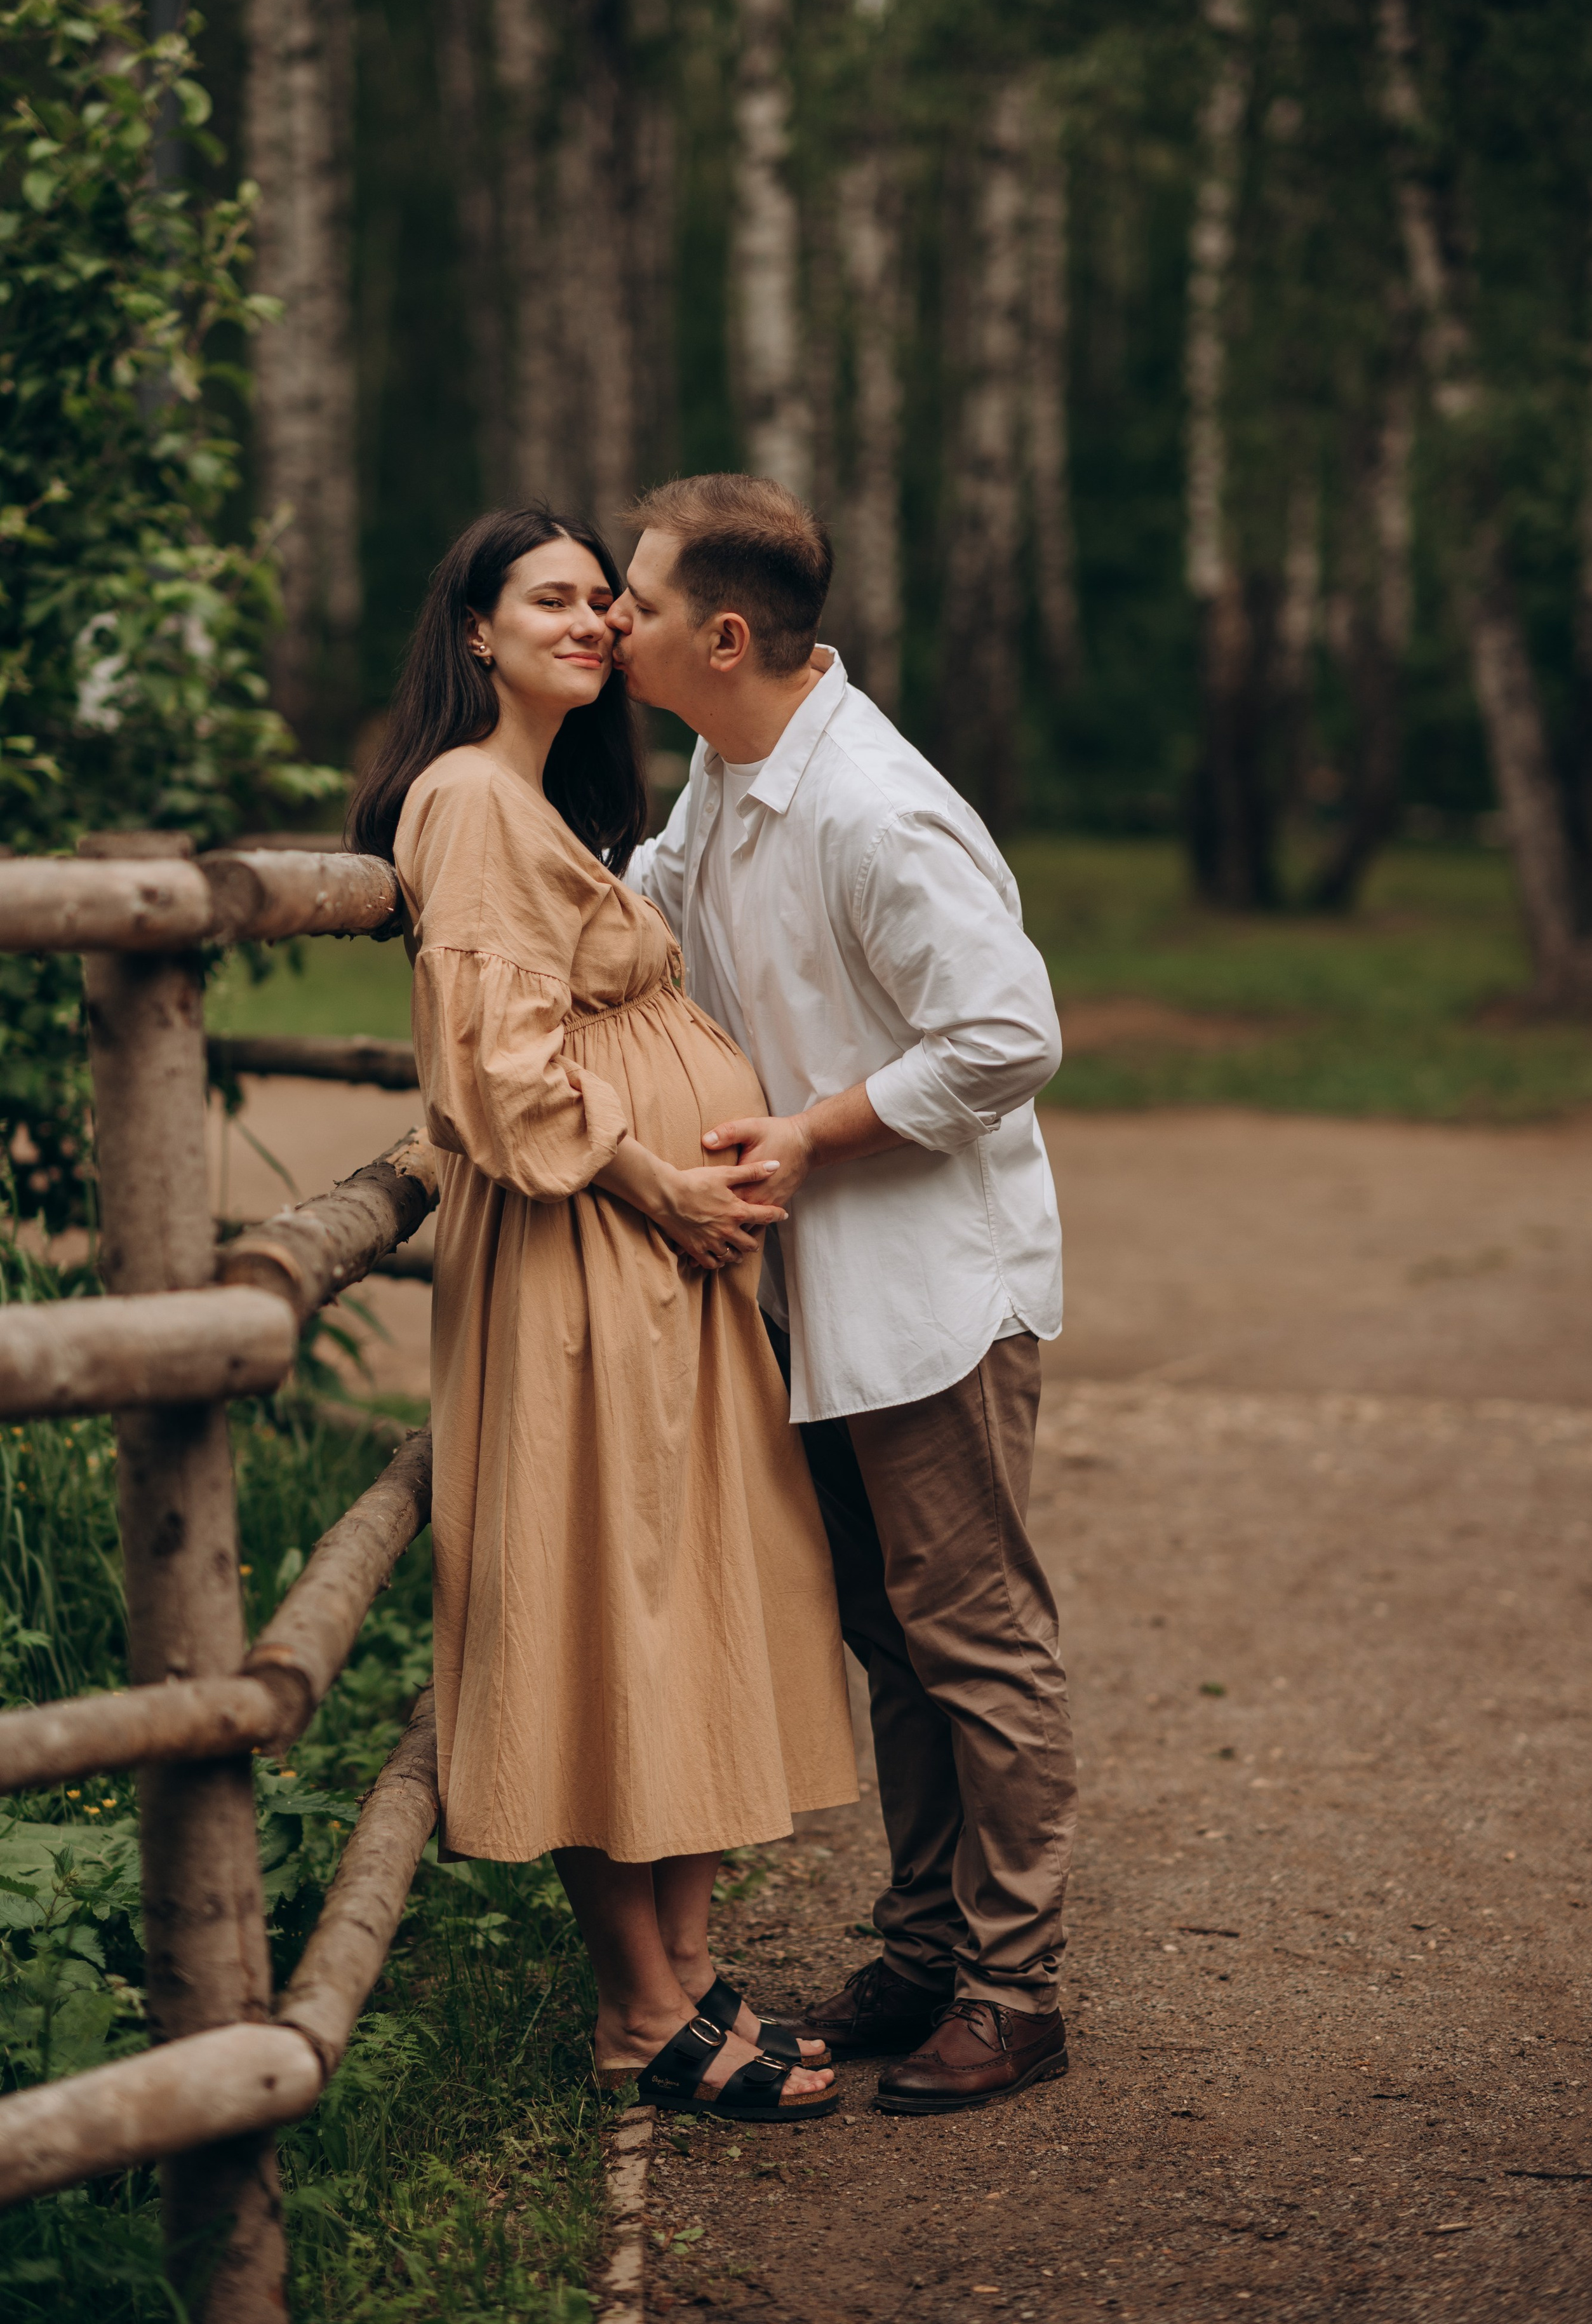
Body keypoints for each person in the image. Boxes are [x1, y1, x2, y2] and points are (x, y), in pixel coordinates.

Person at [347, 502, 857, 2122]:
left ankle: (692, 1969)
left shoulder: (549, 797)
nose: (586, 622)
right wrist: (663, 1187)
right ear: (473, 631)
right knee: (604, 1601)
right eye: (547, 599)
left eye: (598, 599)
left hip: (654, 1260)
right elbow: (496, 1069)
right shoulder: (469, 801)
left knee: (691, 1582)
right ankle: (637, 2008)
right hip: (589, 1254)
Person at [612, 473, 1077, 2116]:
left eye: (641, 600)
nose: (616, 618)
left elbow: (1012, 1037)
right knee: (893, 1632)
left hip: (932, 1289)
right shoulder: (731, 770)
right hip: (826, 1292)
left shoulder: (878, 810)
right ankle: (930, 1946)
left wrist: (808, 1132)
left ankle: (1016, 1992)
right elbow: (651, 907)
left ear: (724, 635)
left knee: (975, 1638)